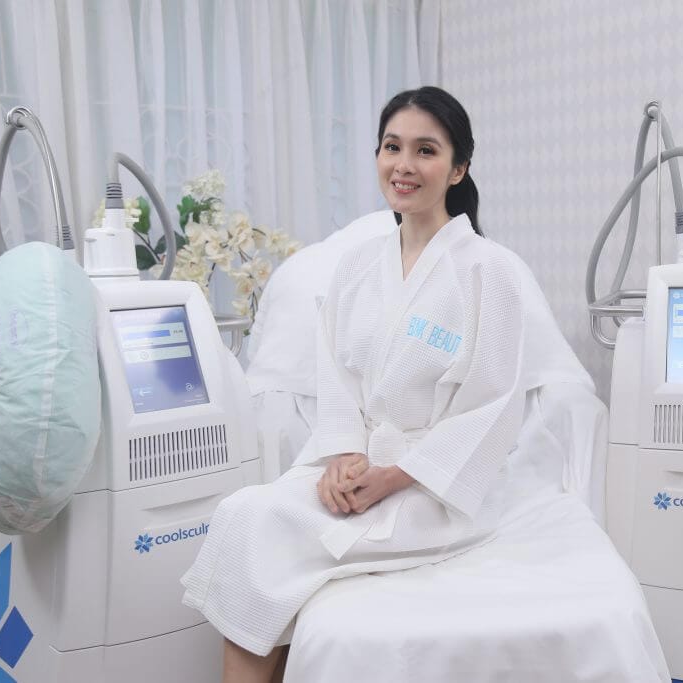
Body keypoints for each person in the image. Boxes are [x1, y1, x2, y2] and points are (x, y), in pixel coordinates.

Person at [180, 86, 525, 683]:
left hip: (429, 489)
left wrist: (392, 476)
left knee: (265, 527)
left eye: (426, 150)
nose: (405, 165)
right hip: (355, 468)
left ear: (459, 167)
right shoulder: (359, 265)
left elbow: (491, 405)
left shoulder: (486, 270)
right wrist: (344, 455)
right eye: (393, 147)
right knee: (242, 513)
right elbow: (334, 376)